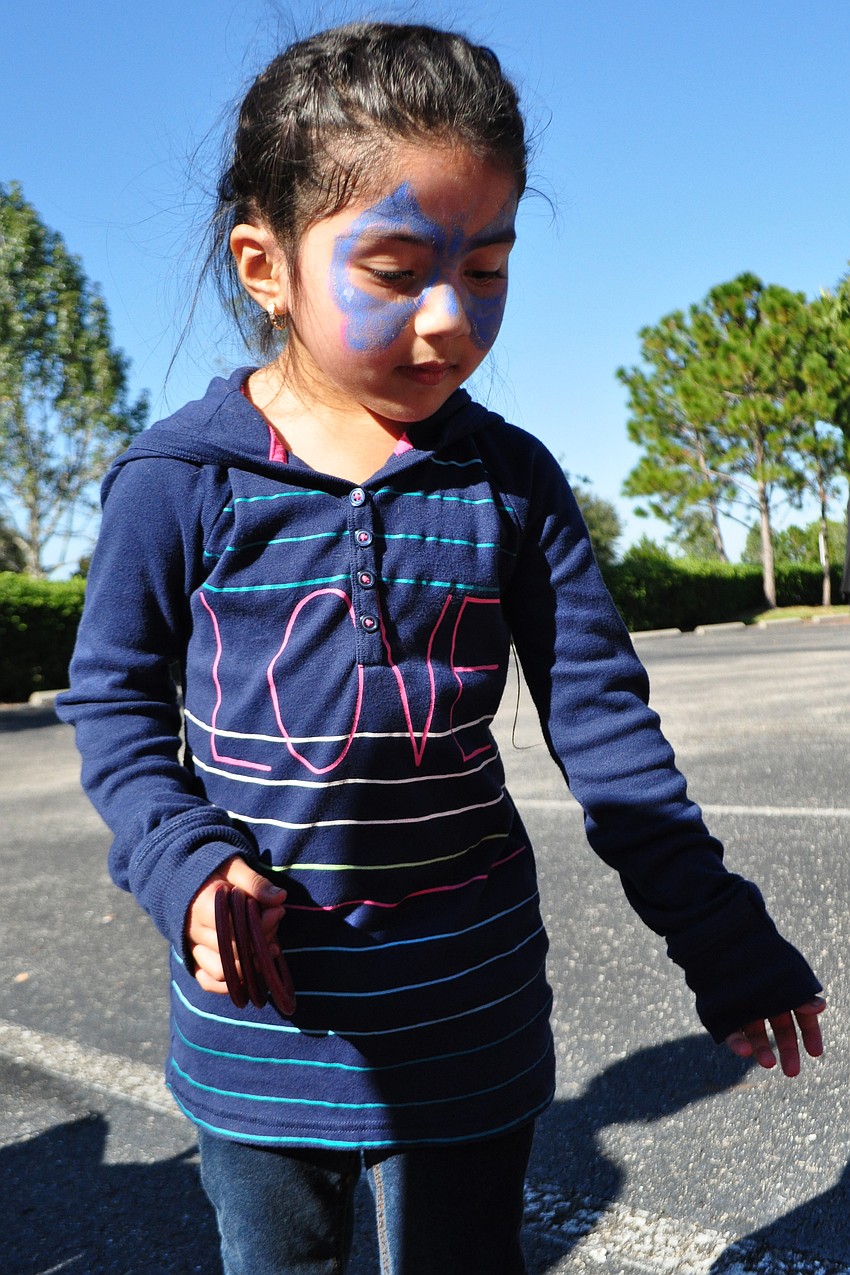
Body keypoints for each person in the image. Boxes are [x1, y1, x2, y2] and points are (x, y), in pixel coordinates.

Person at [57, 22, 826, 1275]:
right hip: (260, 1026)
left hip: (469, 1014)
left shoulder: (509, 481)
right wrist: (182, 863)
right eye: (398, 266)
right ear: (265, 264)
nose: (450, 320)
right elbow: (118, 710)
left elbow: (603, 724)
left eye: (488, 270)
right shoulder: (177, 483)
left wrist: (719, 935)